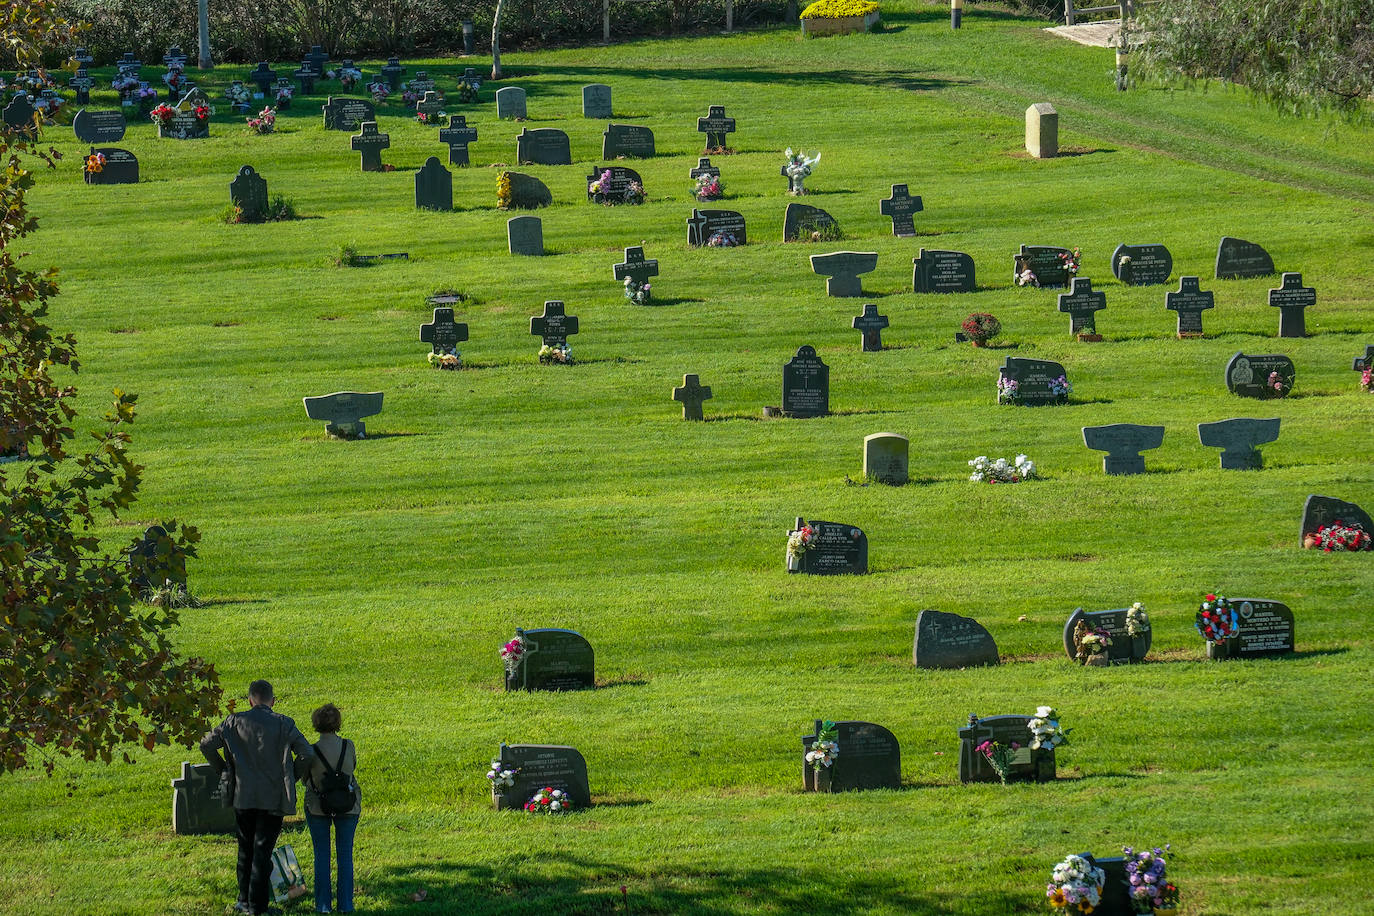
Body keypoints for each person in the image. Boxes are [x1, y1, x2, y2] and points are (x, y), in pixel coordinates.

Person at [201, 680, 315, 916]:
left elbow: (206, 745)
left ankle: (243, 900)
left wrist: (223, 769)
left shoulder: (233, 721)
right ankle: (258, 908)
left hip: (242, 794)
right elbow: (306, 753)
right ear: (273, 701)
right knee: (262, 851)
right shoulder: (284, 723)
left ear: (250, 700)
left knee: (245, 848)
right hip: (273, 797)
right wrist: (291, 777)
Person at [303, 703, 361, 914]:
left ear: (316, 723)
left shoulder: (310, 750)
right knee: (345, 854)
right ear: (338, 723)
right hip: (347, 805)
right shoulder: (349, 745)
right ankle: (346, 904)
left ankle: (323, 905)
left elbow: (303, 777)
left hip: (318, 806)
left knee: (322, 855)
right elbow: (351, 768)